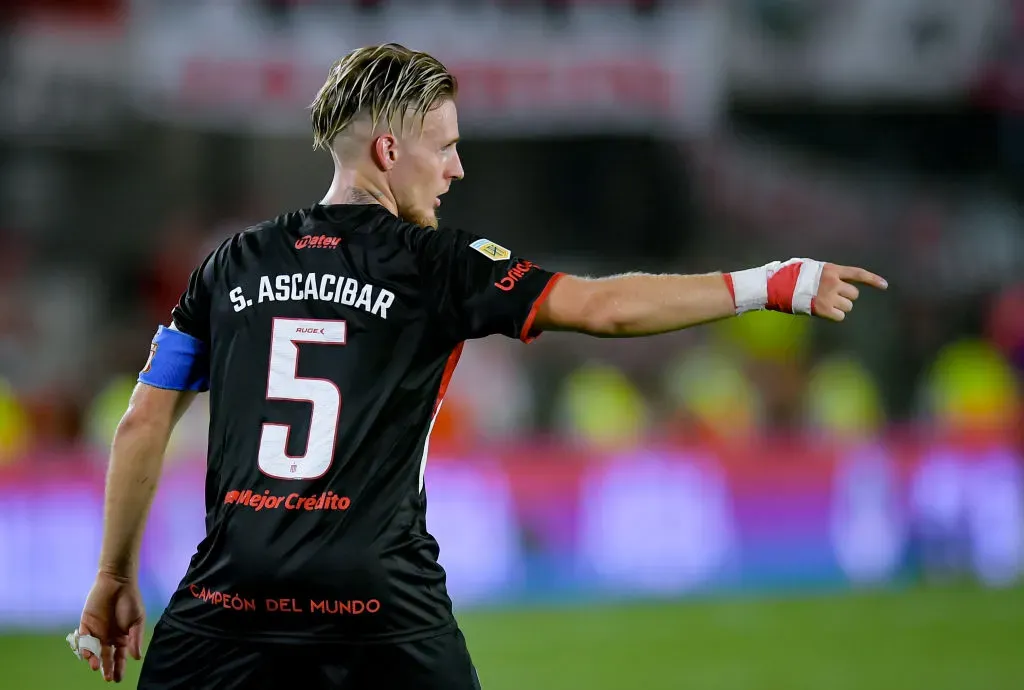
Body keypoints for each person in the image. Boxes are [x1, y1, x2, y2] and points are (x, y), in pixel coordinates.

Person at [67, 43, 887, 688]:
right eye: (447, 147)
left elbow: (143, 420)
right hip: (377, 602)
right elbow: (605, 308)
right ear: (389, 149)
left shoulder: (231, 265)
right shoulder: (438, 264)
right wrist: (769, 284)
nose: (457, 169)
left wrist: (112, 573)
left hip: (227, 603)